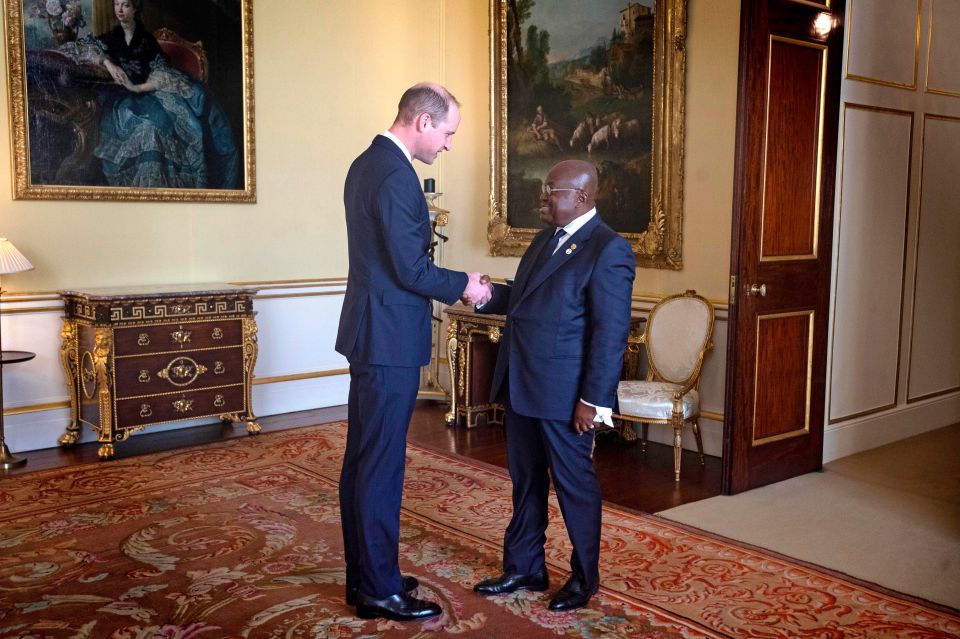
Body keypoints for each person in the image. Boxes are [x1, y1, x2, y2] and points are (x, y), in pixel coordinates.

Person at [336, 82, 490, 622]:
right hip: (387, 341)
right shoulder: (396, 175)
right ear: (423, 123)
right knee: (379, 465)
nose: (448, 145)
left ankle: (367, 577)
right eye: (448, 133)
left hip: (371, 332)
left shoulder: (365, 163)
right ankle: (378, 590)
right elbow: (412, 269)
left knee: (363, 461)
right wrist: (465, 285)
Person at [472, 160, 635, 611]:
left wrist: (594, 400)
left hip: (566, 399)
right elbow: (524, 302)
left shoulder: (609, 249)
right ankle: (525, 566)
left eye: (551, 191)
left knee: (573, 488)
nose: (542, 198)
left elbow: (609, 333)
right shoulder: (544, 240)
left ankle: (584, 579)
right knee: (525, 483)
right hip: (522, 386)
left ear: (582, 197)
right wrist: (488, 296)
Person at [90, 0, 240, 188]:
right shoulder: (112, 37)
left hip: (147, 92)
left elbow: (161, 71)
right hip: (122, 99)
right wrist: (107, 63)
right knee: (141, 127)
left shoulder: (146, 39)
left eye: (126, 5)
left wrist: (136, 88)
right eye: (117, 4)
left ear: (135, 9)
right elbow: (88, 48)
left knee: (164, 124)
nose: (119, 9)